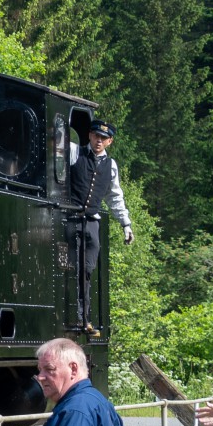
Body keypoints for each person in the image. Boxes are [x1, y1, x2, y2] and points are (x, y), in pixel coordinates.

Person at [67, 121, 133, 335]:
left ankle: (84, 318)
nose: (99, 141)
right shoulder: (74, 152)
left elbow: (115, 197)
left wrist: (126, 223)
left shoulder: (111, 166)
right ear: (89, 136)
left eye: (104, 138)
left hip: (92, 222)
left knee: (87, 269)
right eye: (96, 136)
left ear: (110, 141)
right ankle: (76, 317)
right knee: (71, 267)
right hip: (70, 218)